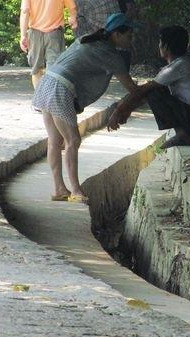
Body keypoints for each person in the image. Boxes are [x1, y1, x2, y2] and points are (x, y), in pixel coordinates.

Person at [32, 13, 137, 203]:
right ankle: (76, 190)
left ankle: (58, 189)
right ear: (116, 34)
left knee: (54, 140)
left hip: (47, 82)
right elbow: (131, 89)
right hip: (60, 87)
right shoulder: (111, 55)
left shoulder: (86, 39)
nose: (132, 39)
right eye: (129, 35)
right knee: (73, 140)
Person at [107, 25, 190, 148]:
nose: (159, 45)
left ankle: (183, 136)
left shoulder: (177, 67)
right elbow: (146, 96)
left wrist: (119, 110)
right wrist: (128, 108)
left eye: (160, 42)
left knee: (154, 91)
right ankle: (183, 135)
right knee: (156, 91)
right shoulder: (186, 63)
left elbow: (143, 91)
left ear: (165, 46)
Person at [19, 0, 78, 89]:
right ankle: (51, 100)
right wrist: (73, 18)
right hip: (55, 33)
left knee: (36, 69)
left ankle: (39, 102)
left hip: (34, 32)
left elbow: (25, 12)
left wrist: (23, 35)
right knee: (54, 69)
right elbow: (72, 7)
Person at [111, 0, 136, 70]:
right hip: (111, 25)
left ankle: (124, 73)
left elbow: (131, 9)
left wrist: (121, 21)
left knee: (124, 49)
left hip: (124, 25)